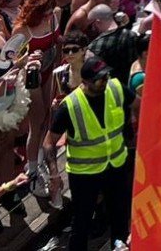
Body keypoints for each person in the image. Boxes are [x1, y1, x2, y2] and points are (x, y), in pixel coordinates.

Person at [44, 56, 130, 251]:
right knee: (81, 222)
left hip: (115, 166)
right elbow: (49, 142)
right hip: (84, 174)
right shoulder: (70, 106)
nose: (105, 81)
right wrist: (54, 174)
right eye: (100, 78)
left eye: (106, 76)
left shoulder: (115, 88)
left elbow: (139, 105)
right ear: (86, 82)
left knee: (119, 218)